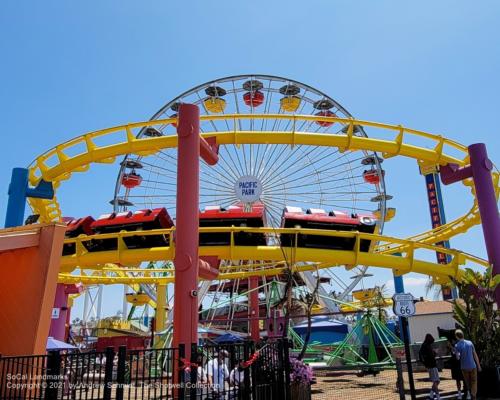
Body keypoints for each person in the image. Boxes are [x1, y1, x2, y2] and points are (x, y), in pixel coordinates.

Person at [455, 329, 481, 400]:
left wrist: (456, 353)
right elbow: (475, 355)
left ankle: (469, 393)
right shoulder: (470, 343)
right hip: (473, 366)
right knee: (474, 381)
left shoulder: (457, 345)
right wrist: (478, 365)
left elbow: (457, 358)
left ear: (457, 336)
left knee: (467, 381)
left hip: (464, 367)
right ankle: (473, 395)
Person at [419, 333, 441, 400]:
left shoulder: (425, 345)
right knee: (435, 381)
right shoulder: (427, 346)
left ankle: (431, 394)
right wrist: (435, 352)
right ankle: (438, 396)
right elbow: (431, 356)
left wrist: (425, 363)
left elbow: (422, 355)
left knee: (437, 381)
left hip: (431, 365)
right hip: (431, 365)